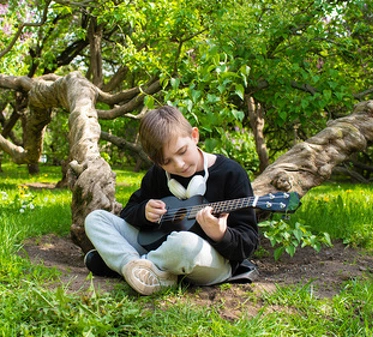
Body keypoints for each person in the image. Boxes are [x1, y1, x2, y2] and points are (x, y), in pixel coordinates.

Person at [84, 105, 259, 295]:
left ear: (194, 136)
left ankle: (127, 264)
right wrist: (144, 212)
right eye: (166, 162)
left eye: (182, 151)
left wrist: (221, 234)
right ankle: (137, 268)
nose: (179, 164)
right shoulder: (158, 175)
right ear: (154, 160)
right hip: (159, 248)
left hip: (204, 259)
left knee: (184, 243)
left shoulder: (232, 174)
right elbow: (128, 213)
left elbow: (249, 242)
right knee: (96, 219)